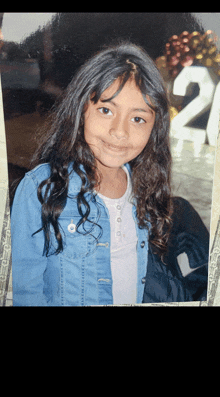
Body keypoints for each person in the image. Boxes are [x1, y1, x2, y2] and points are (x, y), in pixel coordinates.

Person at [10, 42, 209, 306]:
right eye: (106, 110)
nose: (120, 131)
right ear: (80, 110)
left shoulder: (142, 187)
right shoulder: (41, 189)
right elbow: (28, 292)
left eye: (138, 118)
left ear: (155, 128)